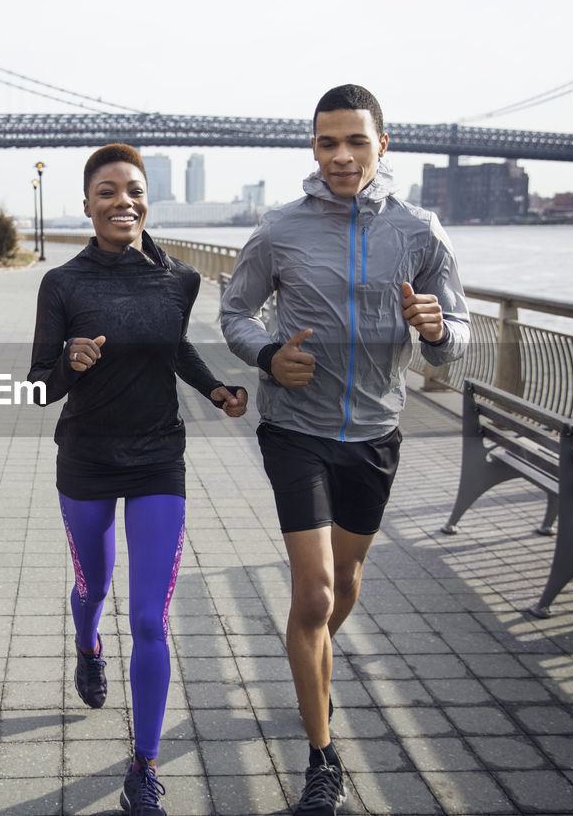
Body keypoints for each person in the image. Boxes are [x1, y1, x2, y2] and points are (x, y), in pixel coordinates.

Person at [220, 84, 469, 816]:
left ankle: (307, 655)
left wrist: (434, 329)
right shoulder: (279, 230)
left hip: (376, 434)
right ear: (313, 148)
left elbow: (460, 334)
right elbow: (235, 310)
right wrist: (268, 356)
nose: (341, 156)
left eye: (356, 141)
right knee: (317, 590)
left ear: (382, 145)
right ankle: (323, 759)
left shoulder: (421, 232)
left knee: (349, 579)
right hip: (294, 428)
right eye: (327, 142)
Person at [28, 144, 248, 816]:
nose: (123, 200)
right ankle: (87, 644)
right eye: (107, 191)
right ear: (87, 203)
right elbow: (37, 391)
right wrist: (68, 361)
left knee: (151, 618)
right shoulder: (62, 285)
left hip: (159, 459)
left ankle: (144, 767)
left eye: (134, 189)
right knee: (93, 584)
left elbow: (174, 346)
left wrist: (215, 387)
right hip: (87, 459)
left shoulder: (180, 279)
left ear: (147, 198)